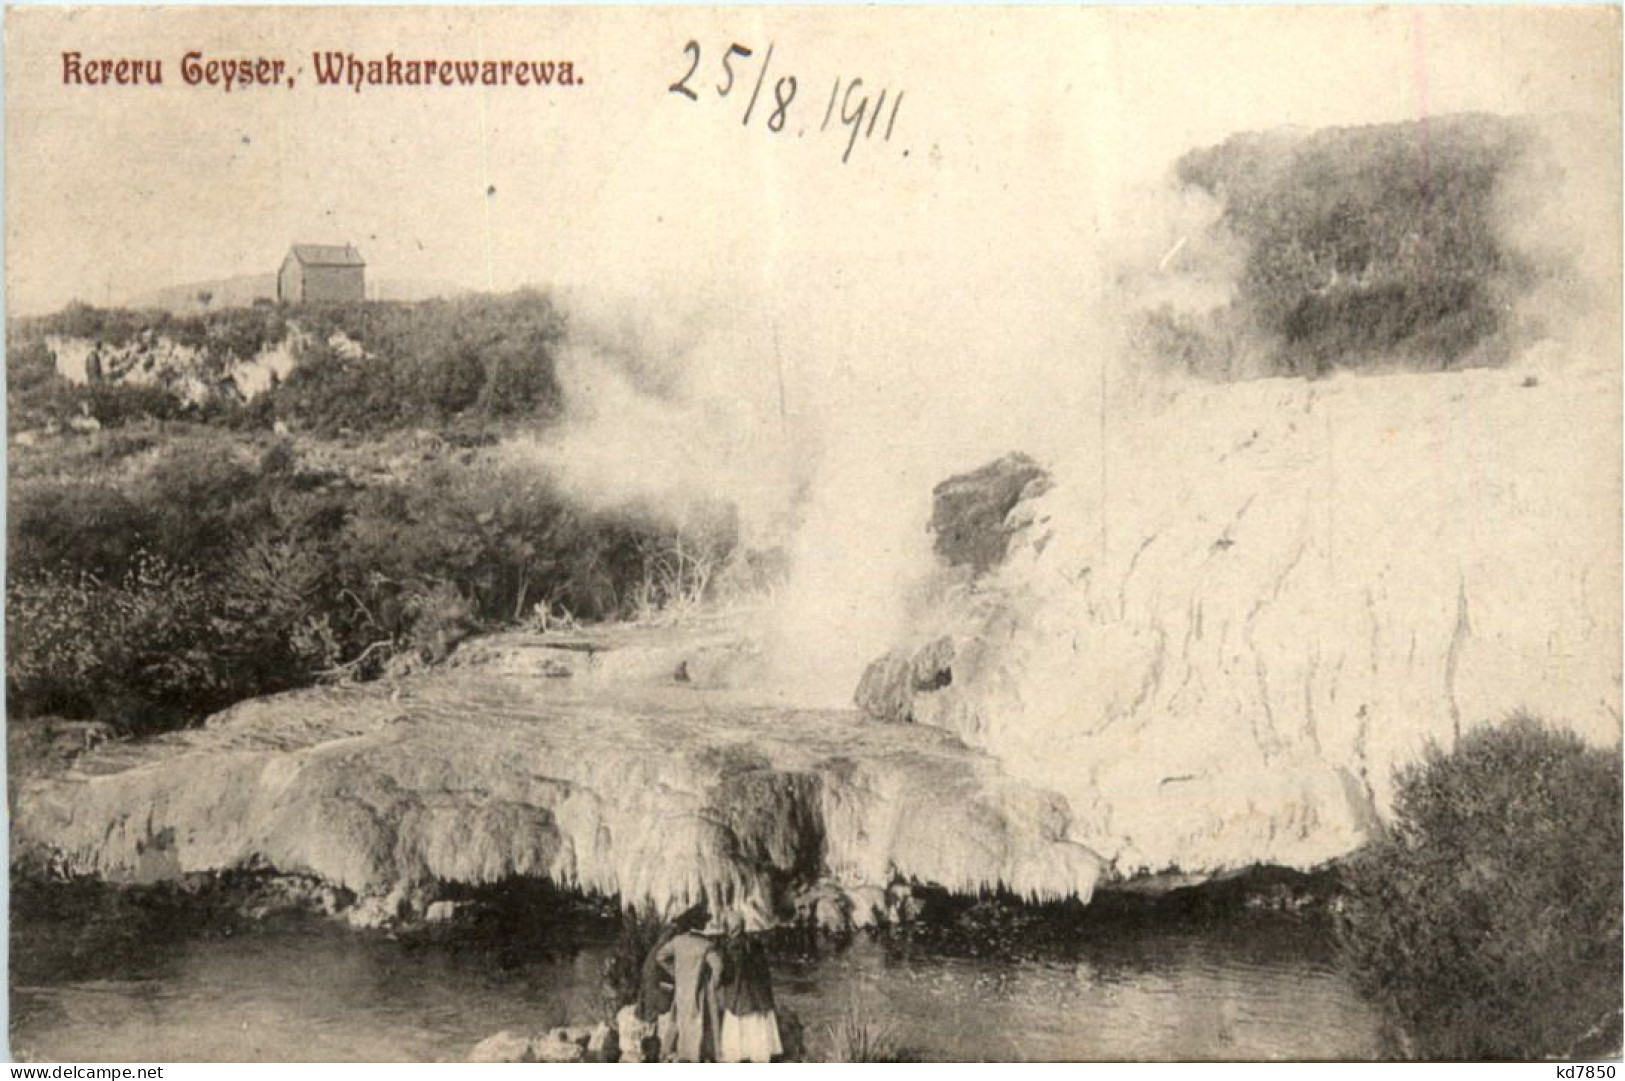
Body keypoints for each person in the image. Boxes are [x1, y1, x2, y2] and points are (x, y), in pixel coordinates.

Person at [715, 908, 784, 1063]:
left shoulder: (733, 947)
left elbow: (735, 975)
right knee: (758, 1032)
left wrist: (727, 997)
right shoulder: (753, 943)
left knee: (738, 1032)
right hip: (759, 996)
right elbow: (764, 972)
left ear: (729, 928)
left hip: (742, 996)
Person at [650, 919, 723, 1062]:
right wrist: (713, 983)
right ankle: (697, 1056)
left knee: (679, 1021)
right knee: (699, 1022)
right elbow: (718, 967)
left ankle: (673, 1054)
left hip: (682, 988)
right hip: (699, 989)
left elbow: (660, 956)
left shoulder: (678, 942)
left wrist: (675, 972)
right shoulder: (705, 945)